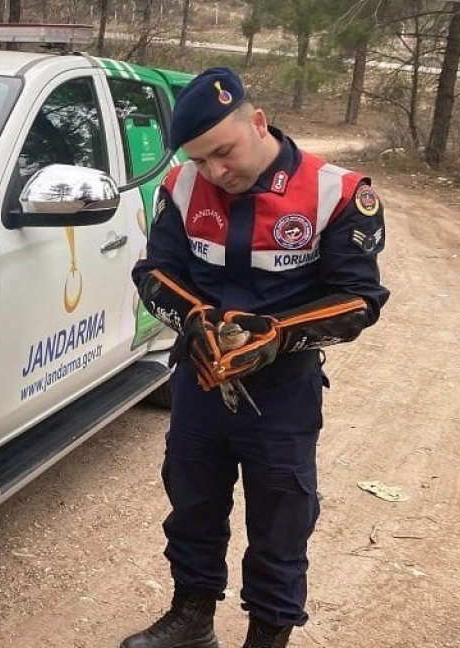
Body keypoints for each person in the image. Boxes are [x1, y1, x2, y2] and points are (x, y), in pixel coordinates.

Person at [123, 67, 390, 648]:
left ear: (258, 123)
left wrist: (278, 335)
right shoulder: (181, 188)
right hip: (199, 382)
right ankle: (192, 618)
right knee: (192, 503)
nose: (215, 172)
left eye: (223, 152)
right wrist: (193, 321)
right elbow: (153, 274)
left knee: (280, 520)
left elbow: (359, 303)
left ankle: (268, 636)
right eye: (199, 160)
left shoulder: (338, 194)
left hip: (282, 393)